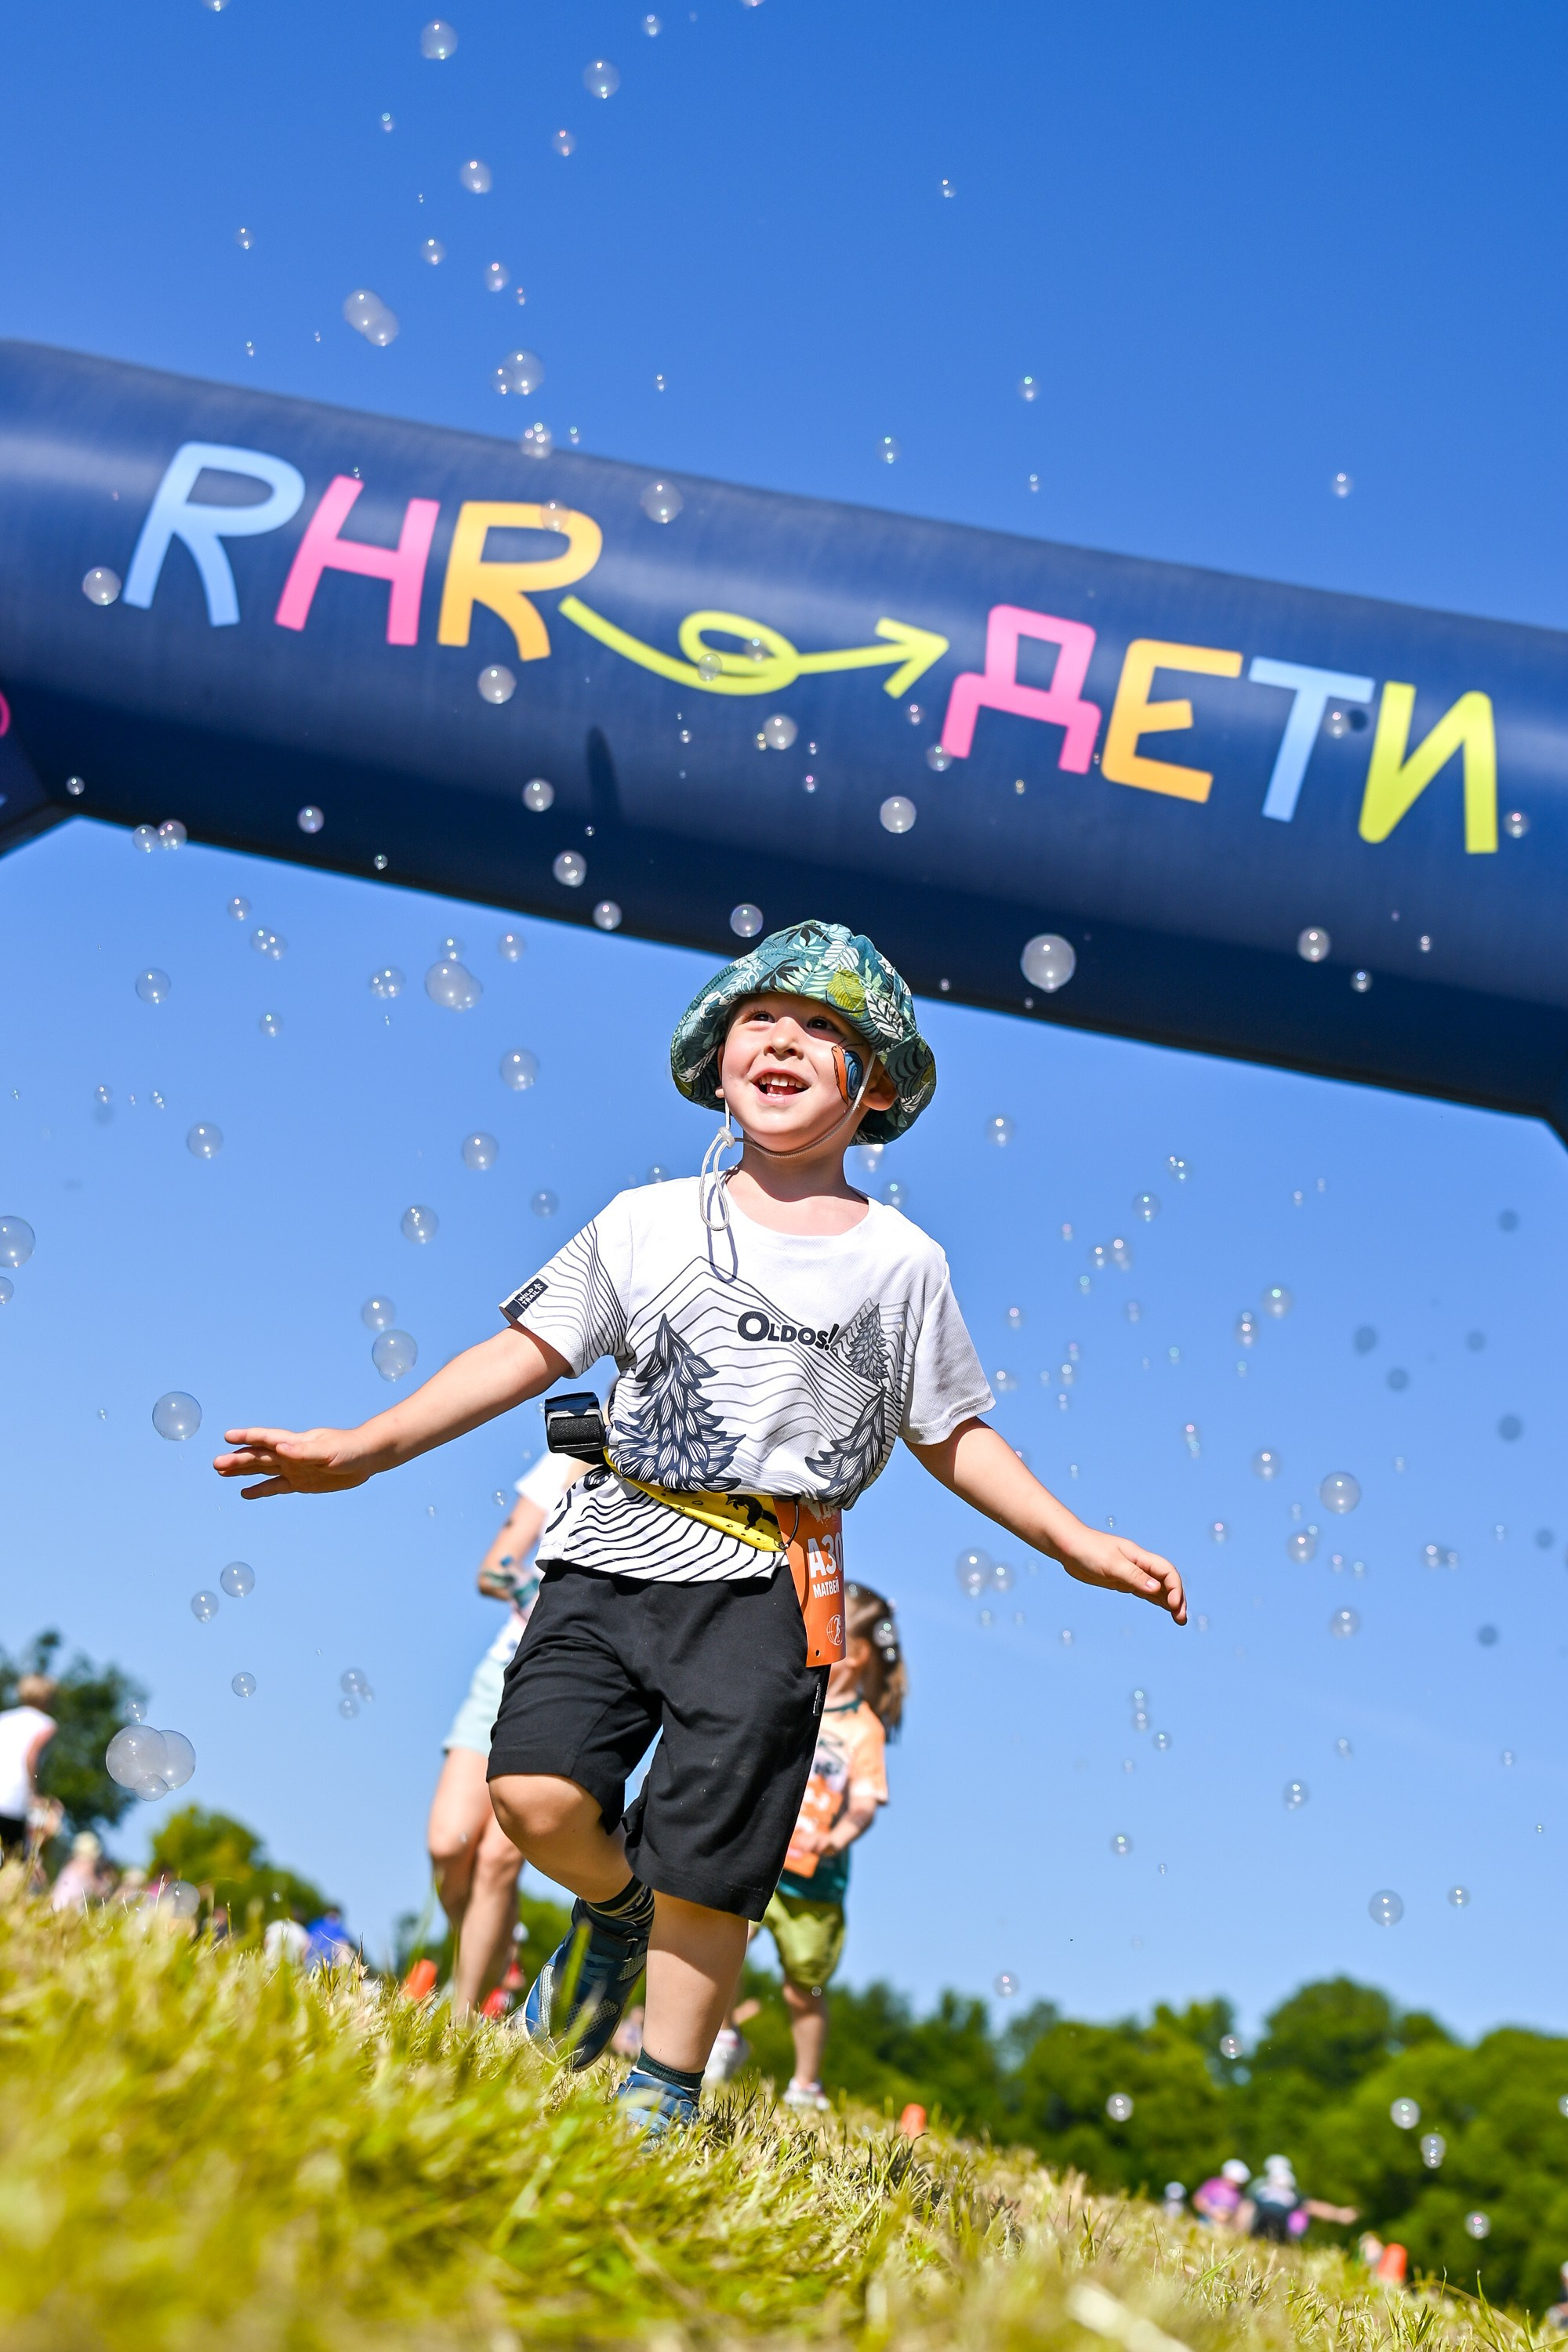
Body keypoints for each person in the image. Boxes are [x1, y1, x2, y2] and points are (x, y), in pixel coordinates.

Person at [215, 918, 1185, 2137]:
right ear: (717, 1062)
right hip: (610, 1547)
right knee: (533, 1792)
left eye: (824, 1028)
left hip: (770, 1585)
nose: (782, 1040)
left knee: (714, 1860)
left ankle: (662, 2096)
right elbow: (524, 1354)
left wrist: (1073, 1539)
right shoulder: (646, 1222)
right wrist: (364, 1446)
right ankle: (610, 1917)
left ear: (873, 1087)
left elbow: (952, 1432)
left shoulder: (902, 1263)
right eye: (758, 1021)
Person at [426, 1452, 583, 2015]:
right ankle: (495, 1940)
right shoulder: (566, 1457)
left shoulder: (669, 1464)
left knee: (497, 1860)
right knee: (448, 1844)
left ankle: (461, 2017)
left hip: (572, 1686)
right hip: (503, 1669)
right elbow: (494, 1568)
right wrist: (533, 1596)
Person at [760, 1580, 903, 2111]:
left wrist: (836, 1836)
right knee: (718, 1934)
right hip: (760, 1857)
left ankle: (805, 2083)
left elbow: (865, 1801)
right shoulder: (794, 1690)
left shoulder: (864, 1730)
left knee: (804, 1986)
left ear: (858, 1652)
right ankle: (721, 2036)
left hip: (815, 1879)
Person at [0, 1674, 58, 1860]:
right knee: (13, 1858)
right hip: (14, 1799)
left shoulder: (4, 1718)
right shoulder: (46, 1724)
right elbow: (31, 1757)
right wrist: (34, 1793)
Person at [1247, 2154, 1356, 2244]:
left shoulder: (1258, 2188)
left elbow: (1313, 2207)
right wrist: (1339, 2214)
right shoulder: (1290, 2193)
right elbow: (1314, 2207)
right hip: (1271, 2233)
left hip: (1264, 2232)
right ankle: (1293, 2240)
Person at [50, 1829, 103, 1912]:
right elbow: (98, 1889)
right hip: (67, 1909)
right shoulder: (86, 1865)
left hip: (55, 1906)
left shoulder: (70, 1864)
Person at [1193, 2158, 1252, 2228]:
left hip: (1225, 2227)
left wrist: (1228, 2216)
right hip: (1205, 2221)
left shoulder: (1238, 2194)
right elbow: (1198, 2199)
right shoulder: (1213, 2184)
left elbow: (1237, 2214)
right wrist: (1212, 2212)